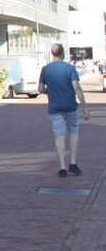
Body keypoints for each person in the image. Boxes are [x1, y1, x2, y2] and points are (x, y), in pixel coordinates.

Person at [38, 43, 90, 178]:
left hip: (55, 107)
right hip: (71, 106)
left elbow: (40, 89)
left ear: (52, 53)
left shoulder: (45, 69)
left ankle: (62, 166)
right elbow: (77, 88)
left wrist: (50, 91)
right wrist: (84, 108)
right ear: (63, 53)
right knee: (73, 131)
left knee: (59, 135)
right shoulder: (70, 68)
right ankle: (73, 162)